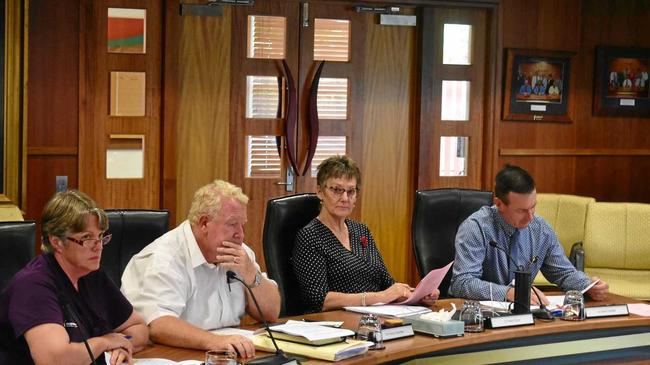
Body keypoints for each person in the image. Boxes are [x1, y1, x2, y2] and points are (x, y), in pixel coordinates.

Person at [121, 180, 280, 358]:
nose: (240, 234)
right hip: (168, 355)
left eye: (242, 225)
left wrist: (251, 273)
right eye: (232, 224)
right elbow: (158, 325)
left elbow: (272, 312)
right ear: (204, 223)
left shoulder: (241, 254)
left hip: (223, 355)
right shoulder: (164, 259)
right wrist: (215, 341)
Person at [0, 190, 148, 365]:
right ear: (57, 242)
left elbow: (139, 328)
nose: (98, 246)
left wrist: (122, 345)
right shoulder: (33, 286)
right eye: (86, 238)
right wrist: (105, 342)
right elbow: (54, 360)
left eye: (100, 236)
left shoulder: (91, 274)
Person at [292, 155, 439, 313]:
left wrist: (416, 294)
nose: (344, 198)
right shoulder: (309, 236)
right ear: (320, 192)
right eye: (336, 190)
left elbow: (386, 281)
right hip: (335, 321)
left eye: (351, 191)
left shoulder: (361, 231)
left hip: (376, 314)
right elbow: (318, 298)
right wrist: (380, 297)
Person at [449, 165, 609, 305]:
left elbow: (563, 273)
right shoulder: (476, 228)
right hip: (480, 315)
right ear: (499, 204)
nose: (530, 216)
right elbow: (462, 282)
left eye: (533, 206)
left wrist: (587, 285)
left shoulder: (541, 229)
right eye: (521, 210)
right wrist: (507, 293)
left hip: (525, 312)